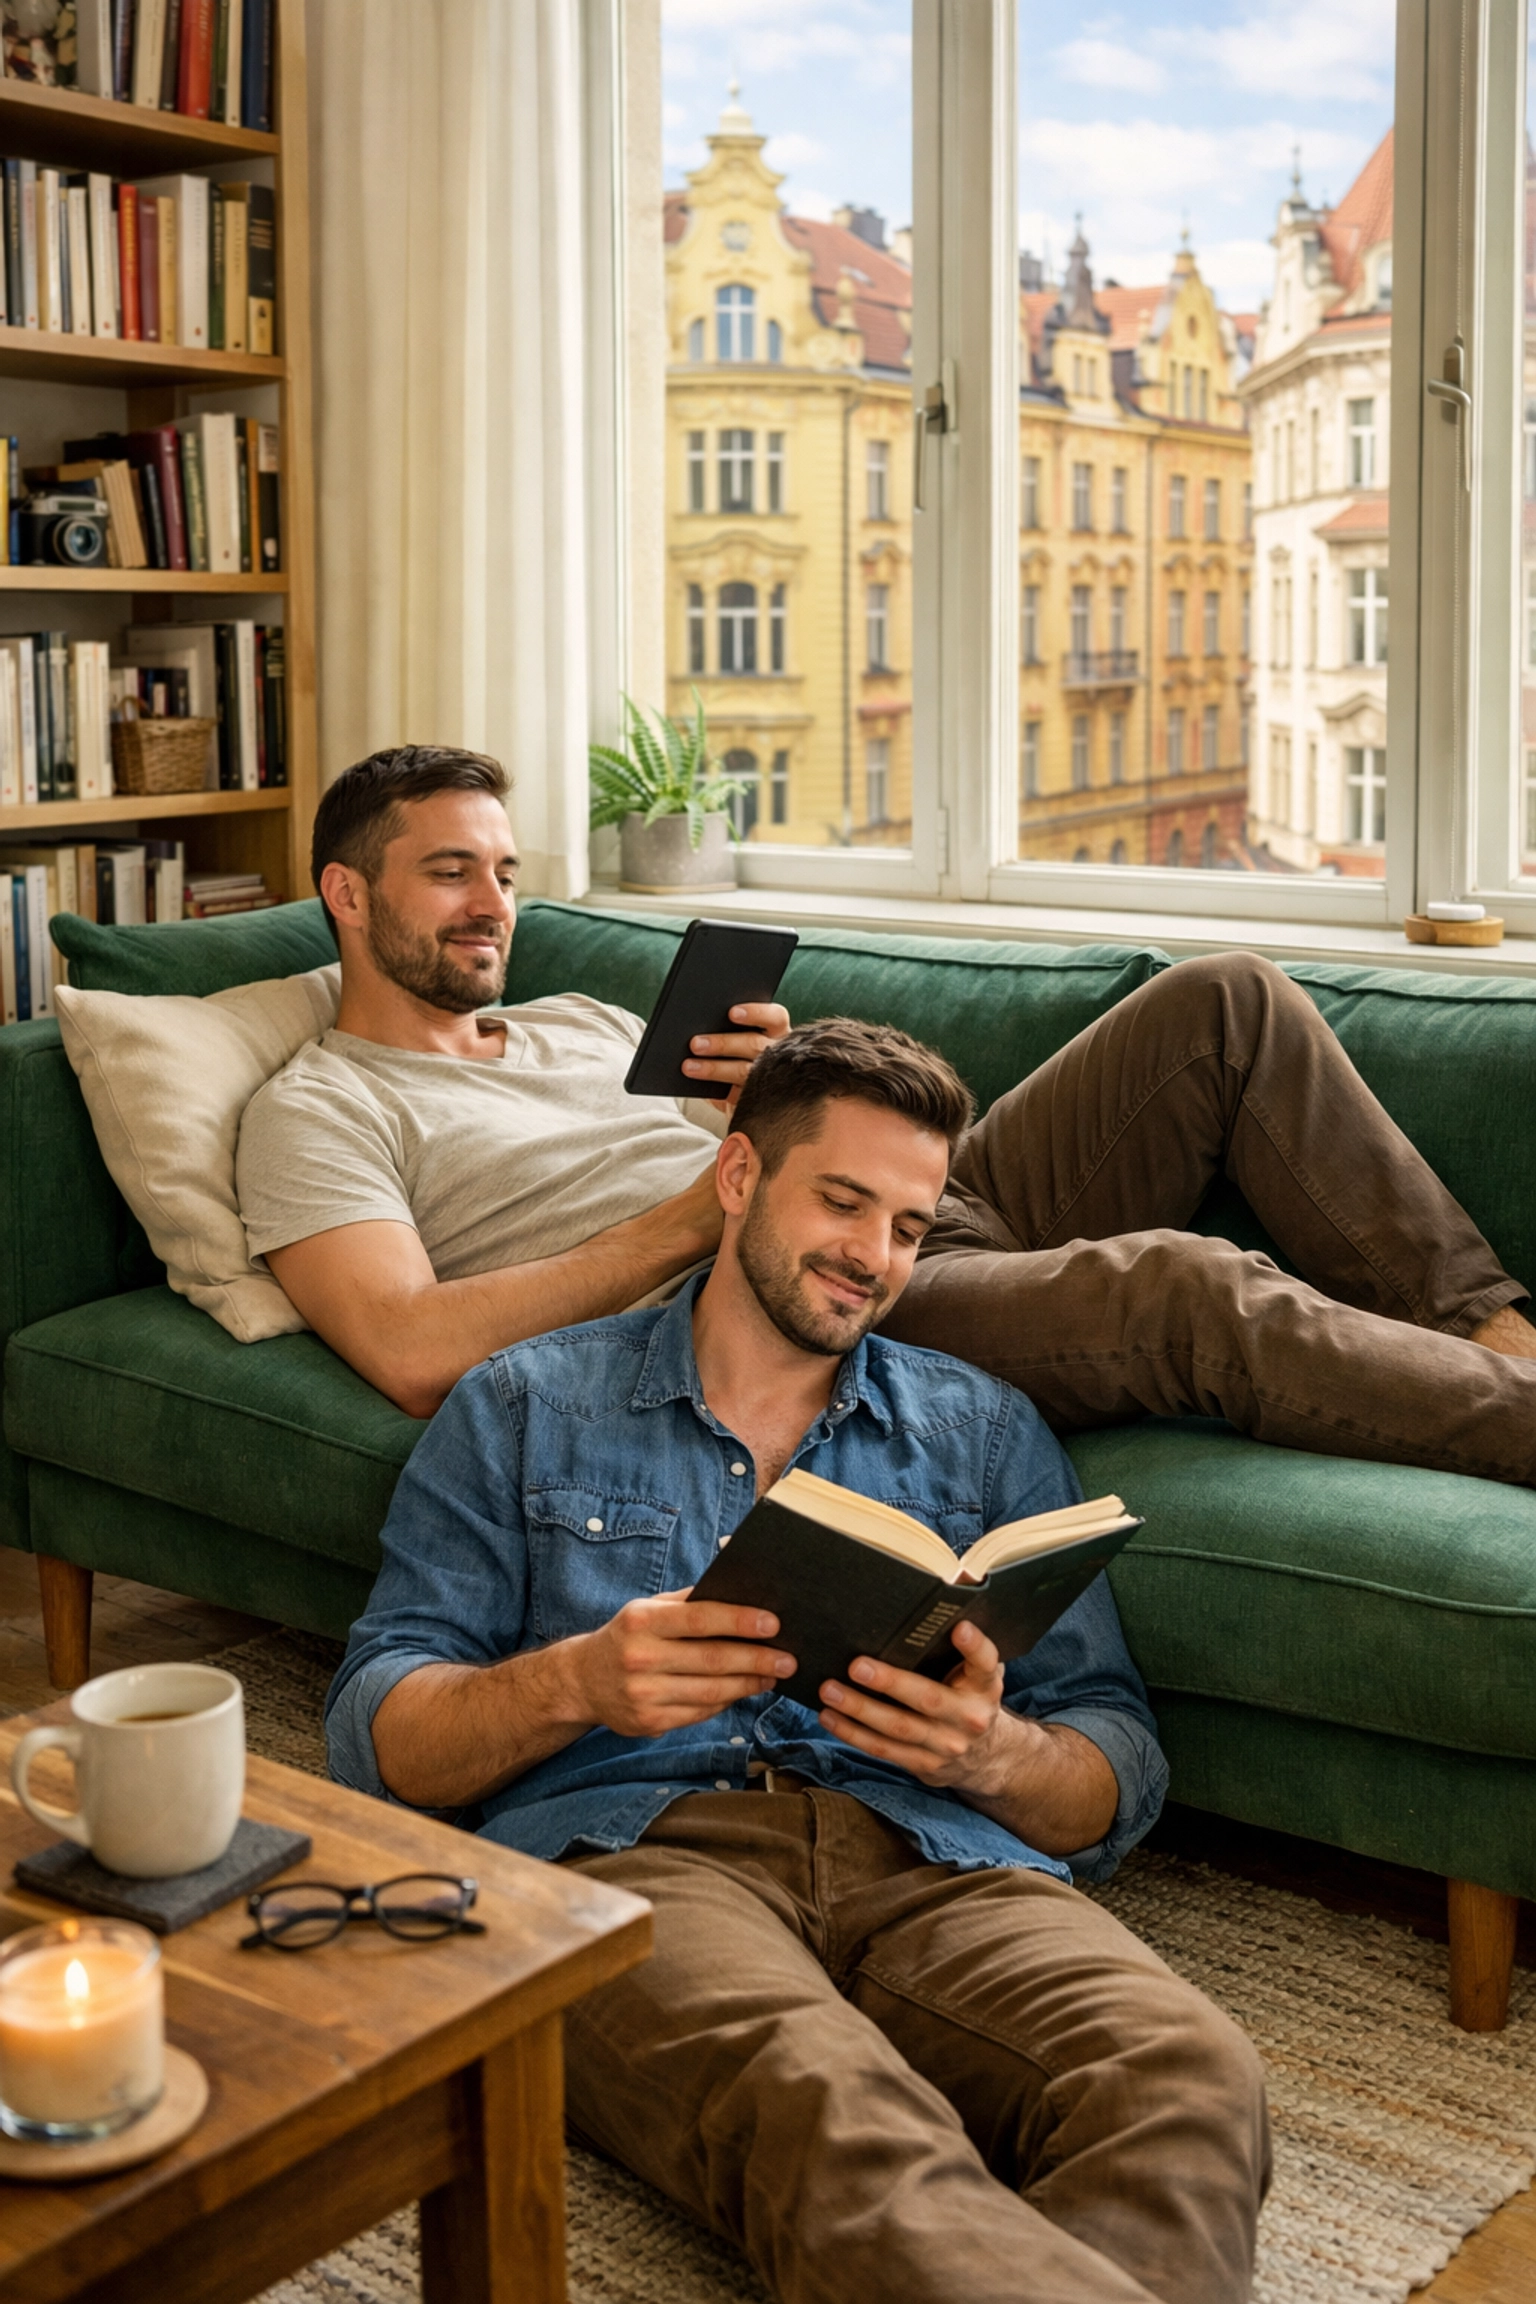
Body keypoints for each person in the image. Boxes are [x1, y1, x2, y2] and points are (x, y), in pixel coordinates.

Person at [325, 1017, 1269, 2304]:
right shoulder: (524, 1404)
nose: (872, 1257)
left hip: (937, 1856)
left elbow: (1114, 1759)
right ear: (737, 1180)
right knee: (838, 2115)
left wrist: (995, 1754)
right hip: (644, 1854)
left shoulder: (983, 1432)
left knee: (1186, 2074)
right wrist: (575, 1683)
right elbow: (377, 1732)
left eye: (908, 1227)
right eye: (842, 1202)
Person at [238, 743, 1536, 1482]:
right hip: (802, 1293)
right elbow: (409, 1353)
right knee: (1185, 1292)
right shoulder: (322, 1107)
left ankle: (1498, 1335)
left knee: (1226, 1002)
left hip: (904, 1201)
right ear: (348, 898)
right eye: (450, 871)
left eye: (507, 872)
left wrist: (781, 1092)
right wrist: (710, 1212)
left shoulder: (583, 1020)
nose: (493, 903)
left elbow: (759, 1151)